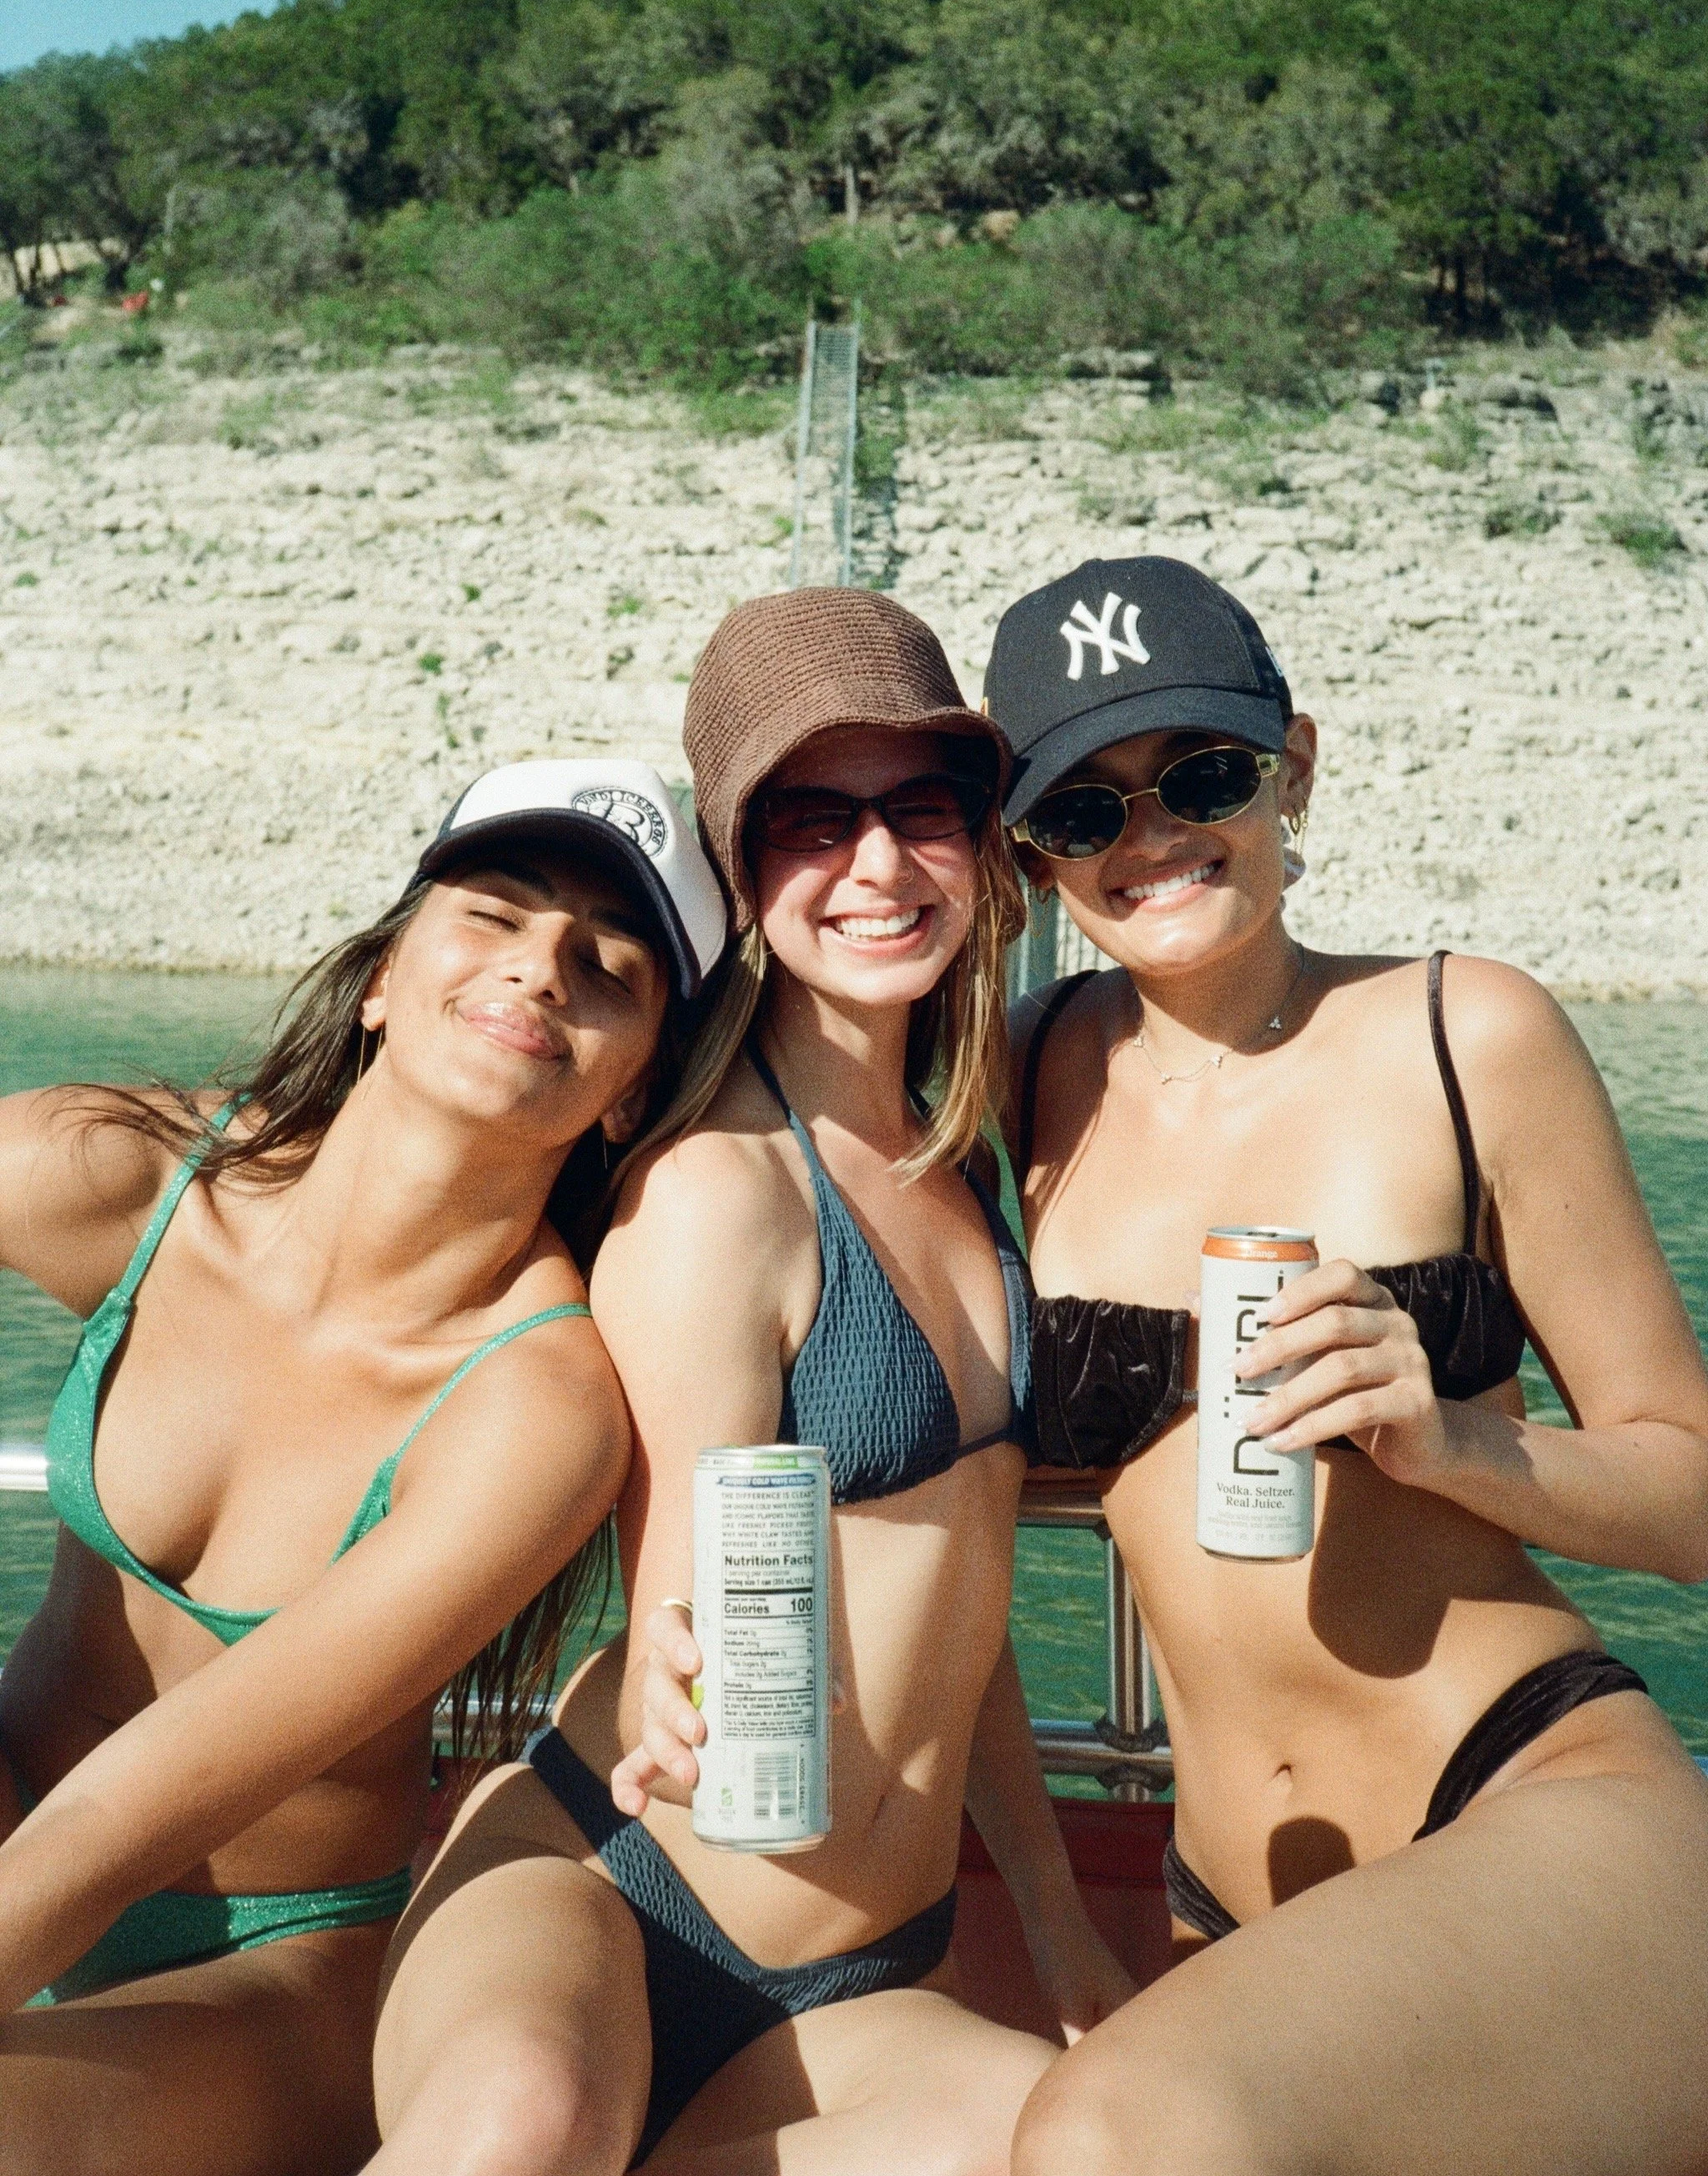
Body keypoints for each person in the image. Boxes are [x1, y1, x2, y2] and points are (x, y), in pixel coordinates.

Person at [371, 588, 1131, 2175]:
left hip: (856, 1980)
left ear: (985, 847)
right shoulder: (720, 1192)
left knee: (1125, 2144)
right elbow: (680, 1597)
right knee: (516, 2135)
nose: (875, 867)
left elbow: (960, 1600)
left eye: (923, 812)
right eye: (814, 821)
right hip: (601, 1887)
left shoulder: (962, 1168)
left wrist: (1065, 1949)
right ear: (739, 865)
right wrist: (667, 1681)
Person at [976, 552, 1708, 2176]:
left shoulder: (1469, 1032)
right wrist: (1046, 1914)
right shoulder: (1021, 1087)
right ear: (1029, 861)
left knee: (1111, 2136)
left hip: (1530, 1791)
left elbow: (1688, 1494)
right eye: (1083, 813)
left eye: (1201, 774)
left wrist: (1451, 1437)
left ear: (1293, 762)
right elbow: (925, 1502)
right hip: (1216, 1892)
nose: (1151, 837)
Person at [0, 756, 728, 2176]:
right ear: (385, 975)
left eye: (611, 963)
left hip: (274, 1968)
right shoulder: (131, 1178)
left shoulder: (534, 1405)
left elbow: (112, 1827)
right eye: (496, 914)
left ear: (636, 1092)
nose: (539, 970)